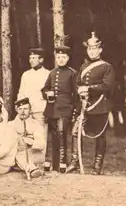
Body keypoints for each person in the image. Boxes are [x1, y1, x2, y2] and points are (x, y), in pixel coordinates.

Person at [66, 32, 116, 175]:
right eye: (89, 49)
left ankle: (97, 166)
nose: (92, 51)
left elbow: (107, 86)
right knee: (75, 132)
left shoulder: (107, 67)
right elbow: (77, 84)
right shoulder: (83, 66)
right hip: (84, 106)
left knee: (100, 136)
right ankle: (74, 162)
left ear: (100, 50)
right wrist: (79, 91)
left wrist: (88, 89)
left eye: (95, 49)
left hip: (99, 106)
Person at [41, 41, 78, 173]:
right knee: (54, 135)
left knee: (62, 134)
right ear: (55, 58)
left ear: (67, 58)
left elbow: (76, 93)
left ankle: (63, 162)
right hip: (52, 109)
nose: (61, 59)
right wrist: (47, 93)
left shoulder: (72, 73)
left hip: (65, 108)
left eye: (63, 57)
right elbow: (44, 89)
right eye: (58, 57)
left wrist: (74, 110)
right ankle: (54, 163)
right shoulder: (52, 72)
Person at [16, 47, 50, 141]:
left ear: (41, 59)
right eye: (30, 58)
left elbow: (50, 95)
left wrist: (48, 112)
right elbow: (21, 92)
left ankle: (42, 155)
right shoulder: (26, 75)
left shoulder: (48, 74)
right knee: (27, 135)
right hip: (27, 111)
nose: (31, 60)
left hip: (40, 111)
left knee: (41, 135)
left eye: (34, 58)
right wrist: (20, 108)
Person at [9, 97, 45, 179]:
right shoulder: (11, 125)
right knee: (17, 155)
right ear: (17, 110)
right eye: (20, 109)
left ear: (30, 110)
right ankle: (31, 168)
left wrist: (31, 142)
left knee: (19, 156)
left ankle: (32, 169)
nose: (22, 111)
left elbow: (41, 144)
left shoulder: (36, 125)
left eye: (25, 109)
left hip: (33, 153)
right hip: (16, 153)